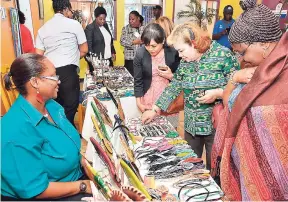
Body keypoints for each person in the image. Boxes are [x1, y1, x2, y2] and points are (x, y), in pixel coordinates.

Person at [211, 0, 288, 200]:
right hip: (246, 168)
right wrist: (234, 78)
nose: (240, 59)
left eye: (243, 52)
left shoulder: (281, 75)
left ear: (263, 44)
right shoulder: (256, 70)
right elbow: (231, 103)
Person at [142, 22, 240, 170]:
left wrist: (218, 93)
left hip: (216, 126)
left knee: (216, 168)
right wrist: (155, 109)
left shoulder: (223, 55)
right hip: (191, 126)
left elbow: (238, 89)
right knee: (190, 167)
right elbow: (174, 86)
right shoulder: (186, 62)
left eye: (182, 50)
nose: (180, 55)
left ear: (194, 43)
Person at [1, 54, 94, 200]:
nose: (59, 81)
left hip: (72, 177)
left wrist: (85, 163)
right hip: (49, 193)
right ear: (35, 82)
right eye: (53, 76)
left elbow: (69, 142)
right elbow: (36, 190)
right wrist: (83, 185)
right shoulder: (15, 130)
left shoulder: (51, 106)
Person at [35, 0, 88, 127]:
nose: (70, 13)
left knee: (54, 105)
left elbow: (38, 56)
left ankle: (56, 130)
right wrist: (73, 57)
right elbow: (84, 50)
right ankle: (66, 131)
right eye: (70, 11)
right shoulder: (74, 24)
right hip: (68, 72)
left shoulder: (43, 29)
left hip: (49, 74)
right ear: (65, 9)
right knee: (70, 106)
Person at [134, 23, 180, 115]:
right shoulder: (140, 53)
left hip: (169, 98)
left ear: (162, 41)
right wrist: (139, 102)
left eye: (154, 46)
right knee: (149, 127)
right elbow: (138, 80)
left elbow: (182, 79)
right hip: (148, 97)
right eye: (147, 45)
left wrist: (171, 76)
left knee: (170, 127)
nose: (150, 49)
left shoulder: (173, 52)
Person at [85, 6, 116, 70]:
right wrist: (93, 62)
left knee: (110, 78)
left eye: (104, 19)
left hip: (108, 60)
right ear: (95, 17)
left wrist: (112, 52)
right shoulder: (90, 28)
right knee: (99, 79)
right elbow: (89, 48)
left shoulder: (105, 25)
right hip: (98, 62)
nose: (103, 21)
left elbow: (110, 40)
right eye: (100, 19)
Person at [120, 11, 145, 76]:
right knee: (130, 79)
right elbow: (122, 41)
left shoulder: (145, 28)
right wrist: (133, 42)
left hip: (143, 59)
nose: (131, 21)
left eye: (133, 19)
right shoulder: (126, 29)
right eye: (129, 19)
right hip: (130, 60)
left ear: (138, 18)